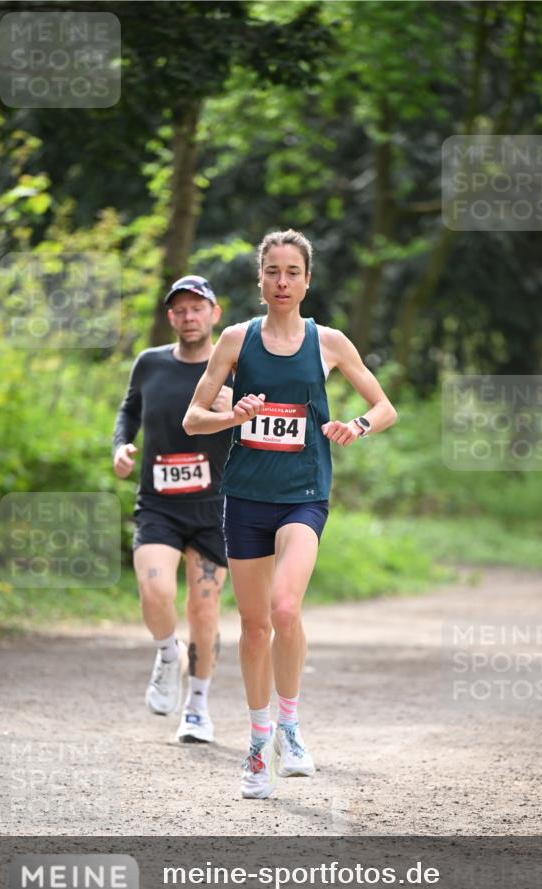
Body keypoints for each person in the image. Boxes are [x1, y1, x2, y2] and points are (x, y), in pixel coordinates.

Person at [183, 229, 397, 798]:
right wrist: (233, 417)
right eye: (272, 271)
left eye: (292, 272)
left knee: (284, 607)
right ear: (260, 279)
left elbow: (385, 406)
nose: (282, 282)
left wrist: (355, 426)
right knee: (254, 628)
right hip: (246, 496)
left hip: (304, 495)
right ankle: (258, 745)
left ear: (307, 280)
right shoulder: (234, 339)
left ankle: (291, 727)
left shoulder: (328, 342)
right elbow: (192, 419)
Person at [113, 275, 233, 742]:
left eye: (197, 308)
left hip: (214, 506)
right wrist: (122, 445)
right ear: (171, 318)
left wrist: (236, 407)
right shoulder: (150, 363)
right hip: (159, 504)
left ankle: (198, 707)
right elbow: (129, 411)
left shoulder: (233, 368)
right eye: (180, 310)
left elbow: (259, 422)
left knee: (204, 611)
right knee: (155, 591)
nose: (189, 317)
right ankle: (167, 654)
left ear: (213, 314)